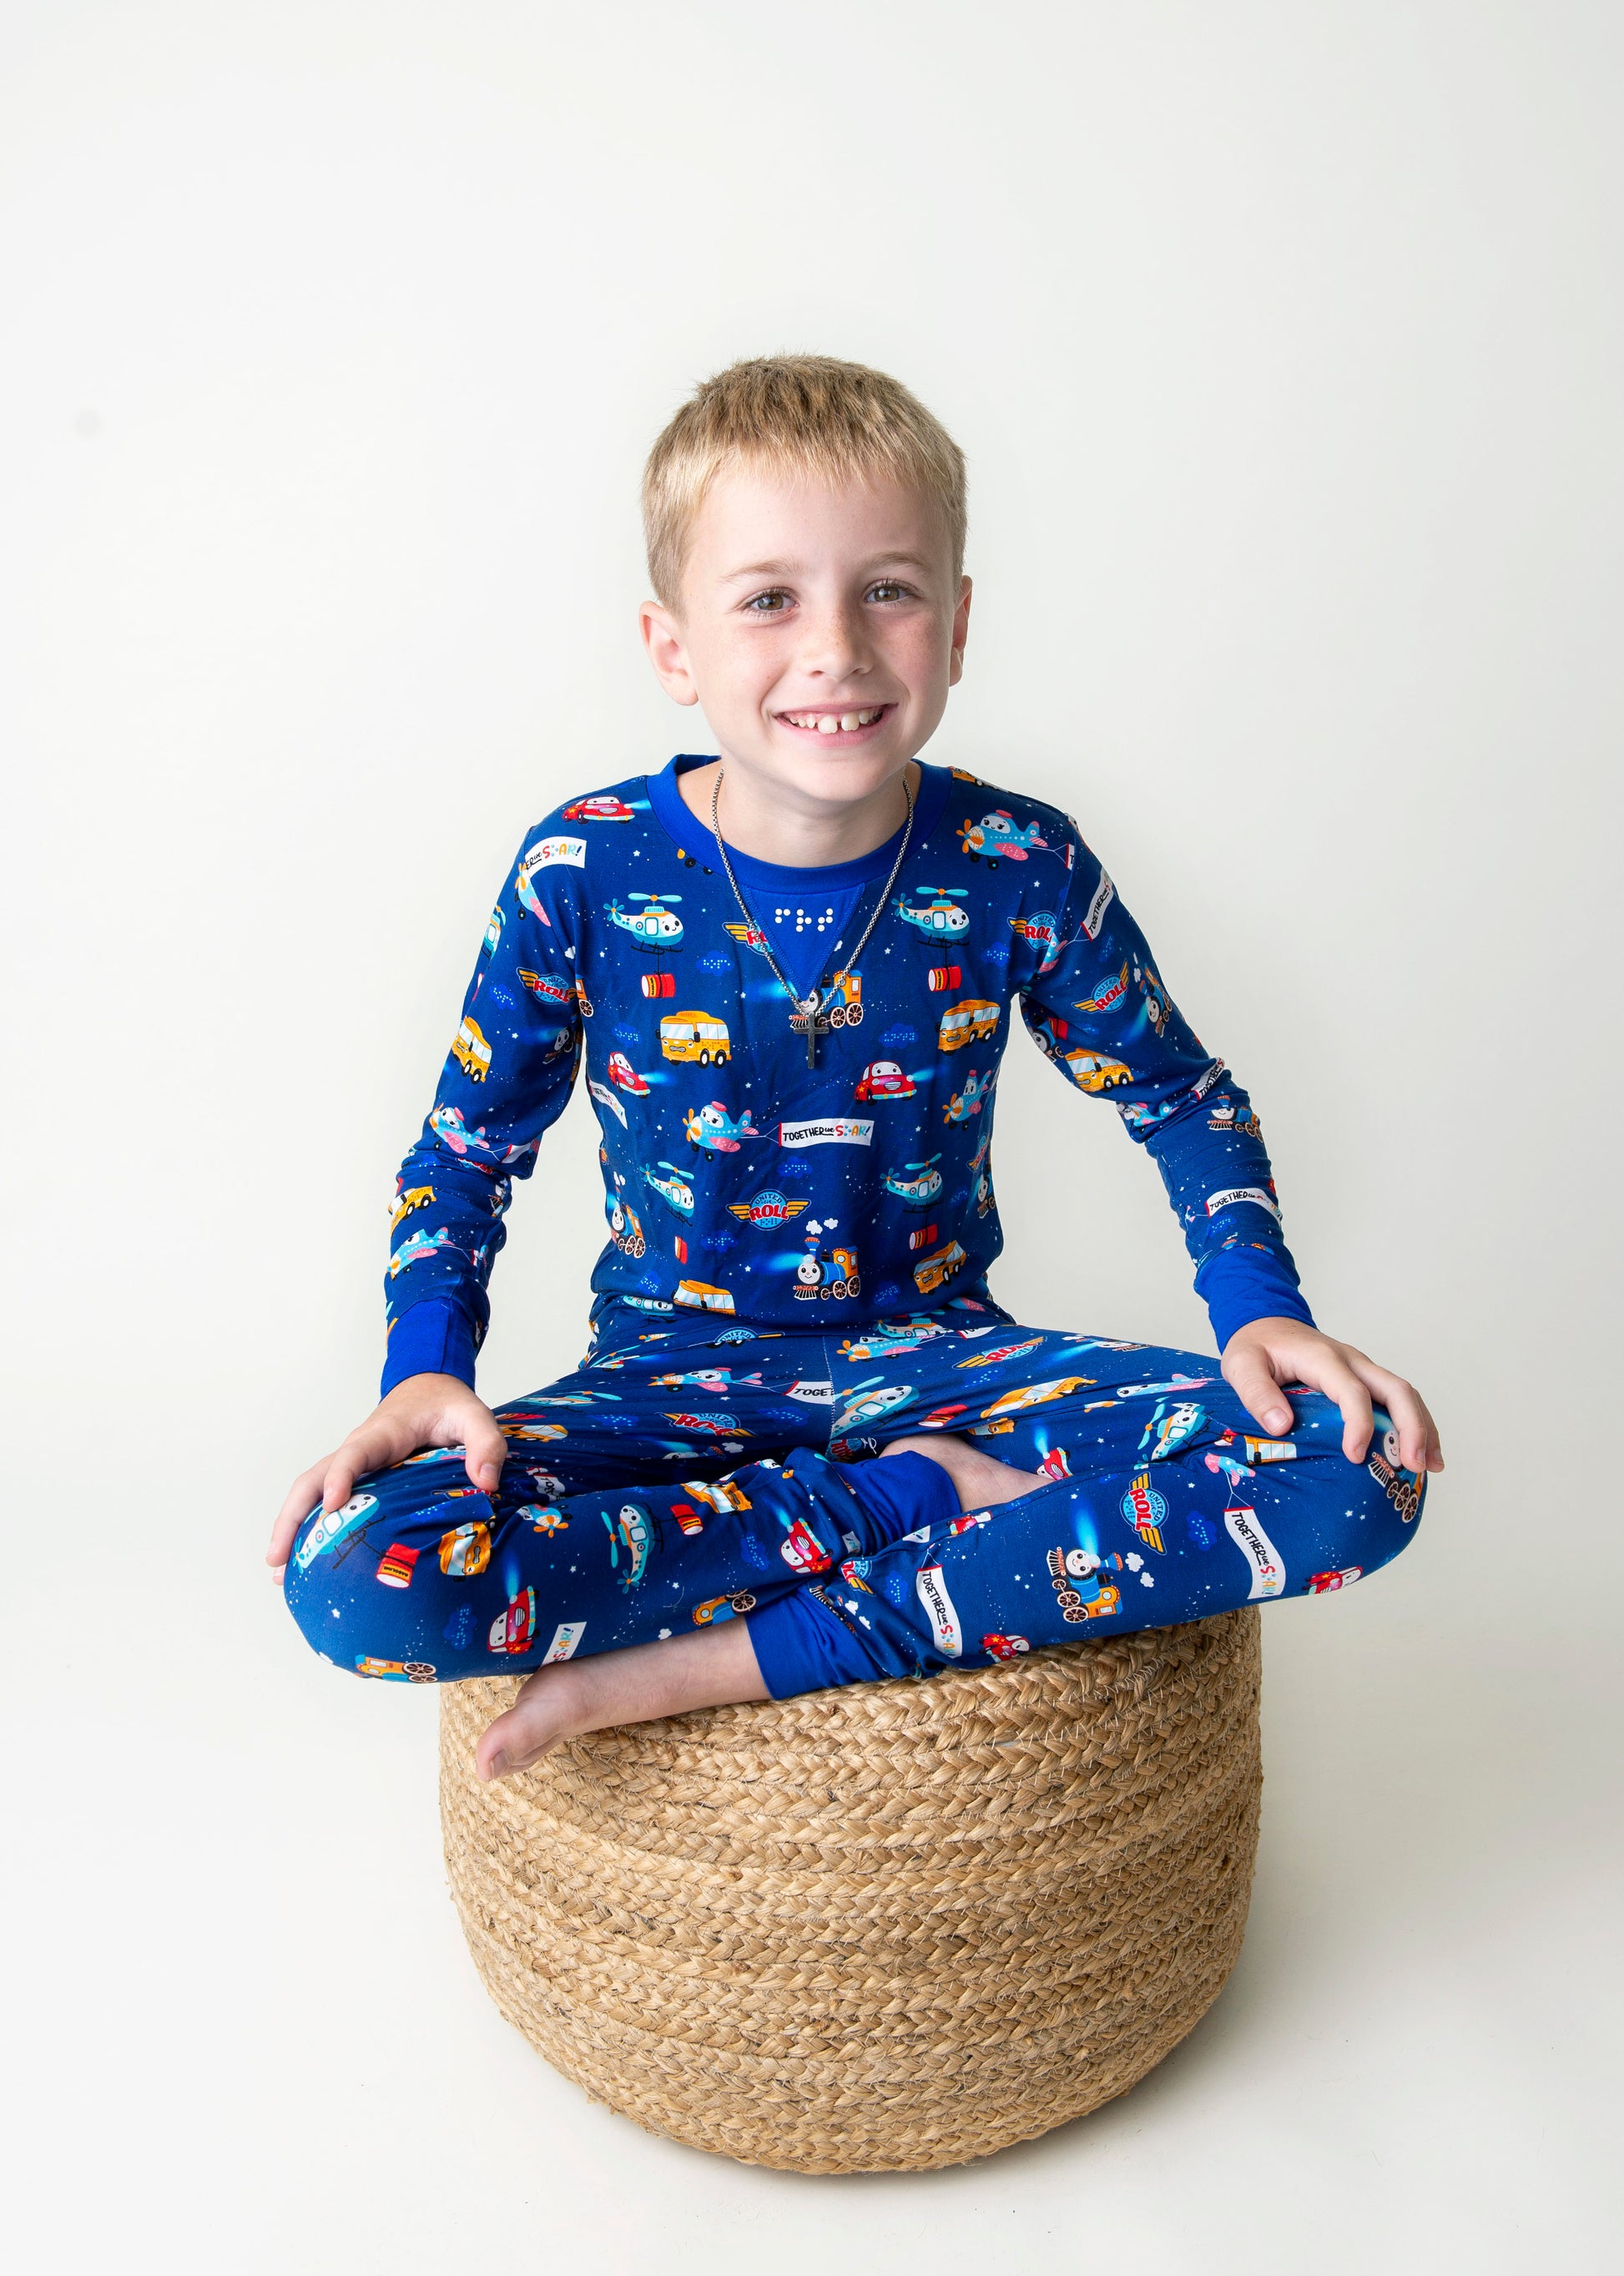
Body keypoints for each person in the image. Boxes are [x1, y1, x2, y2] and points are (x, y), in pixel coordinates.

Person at [269, 353, 1442, 1782]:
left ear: (956, 626)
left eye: (886, 589)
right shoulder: (584, 865)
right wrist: (421, 1369)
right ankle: (905, 1509)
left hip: (949, 1362)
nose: (835, 646)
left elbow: (1181, 1098)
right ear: (671, 648)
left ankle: (727, 1654)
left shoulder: (1015, 862)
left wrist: (1259, 1310)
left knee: (1357, 1462)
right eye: (768, 598)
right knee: (355, 1567)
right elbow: (465, 1151)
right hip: (666, 1386)